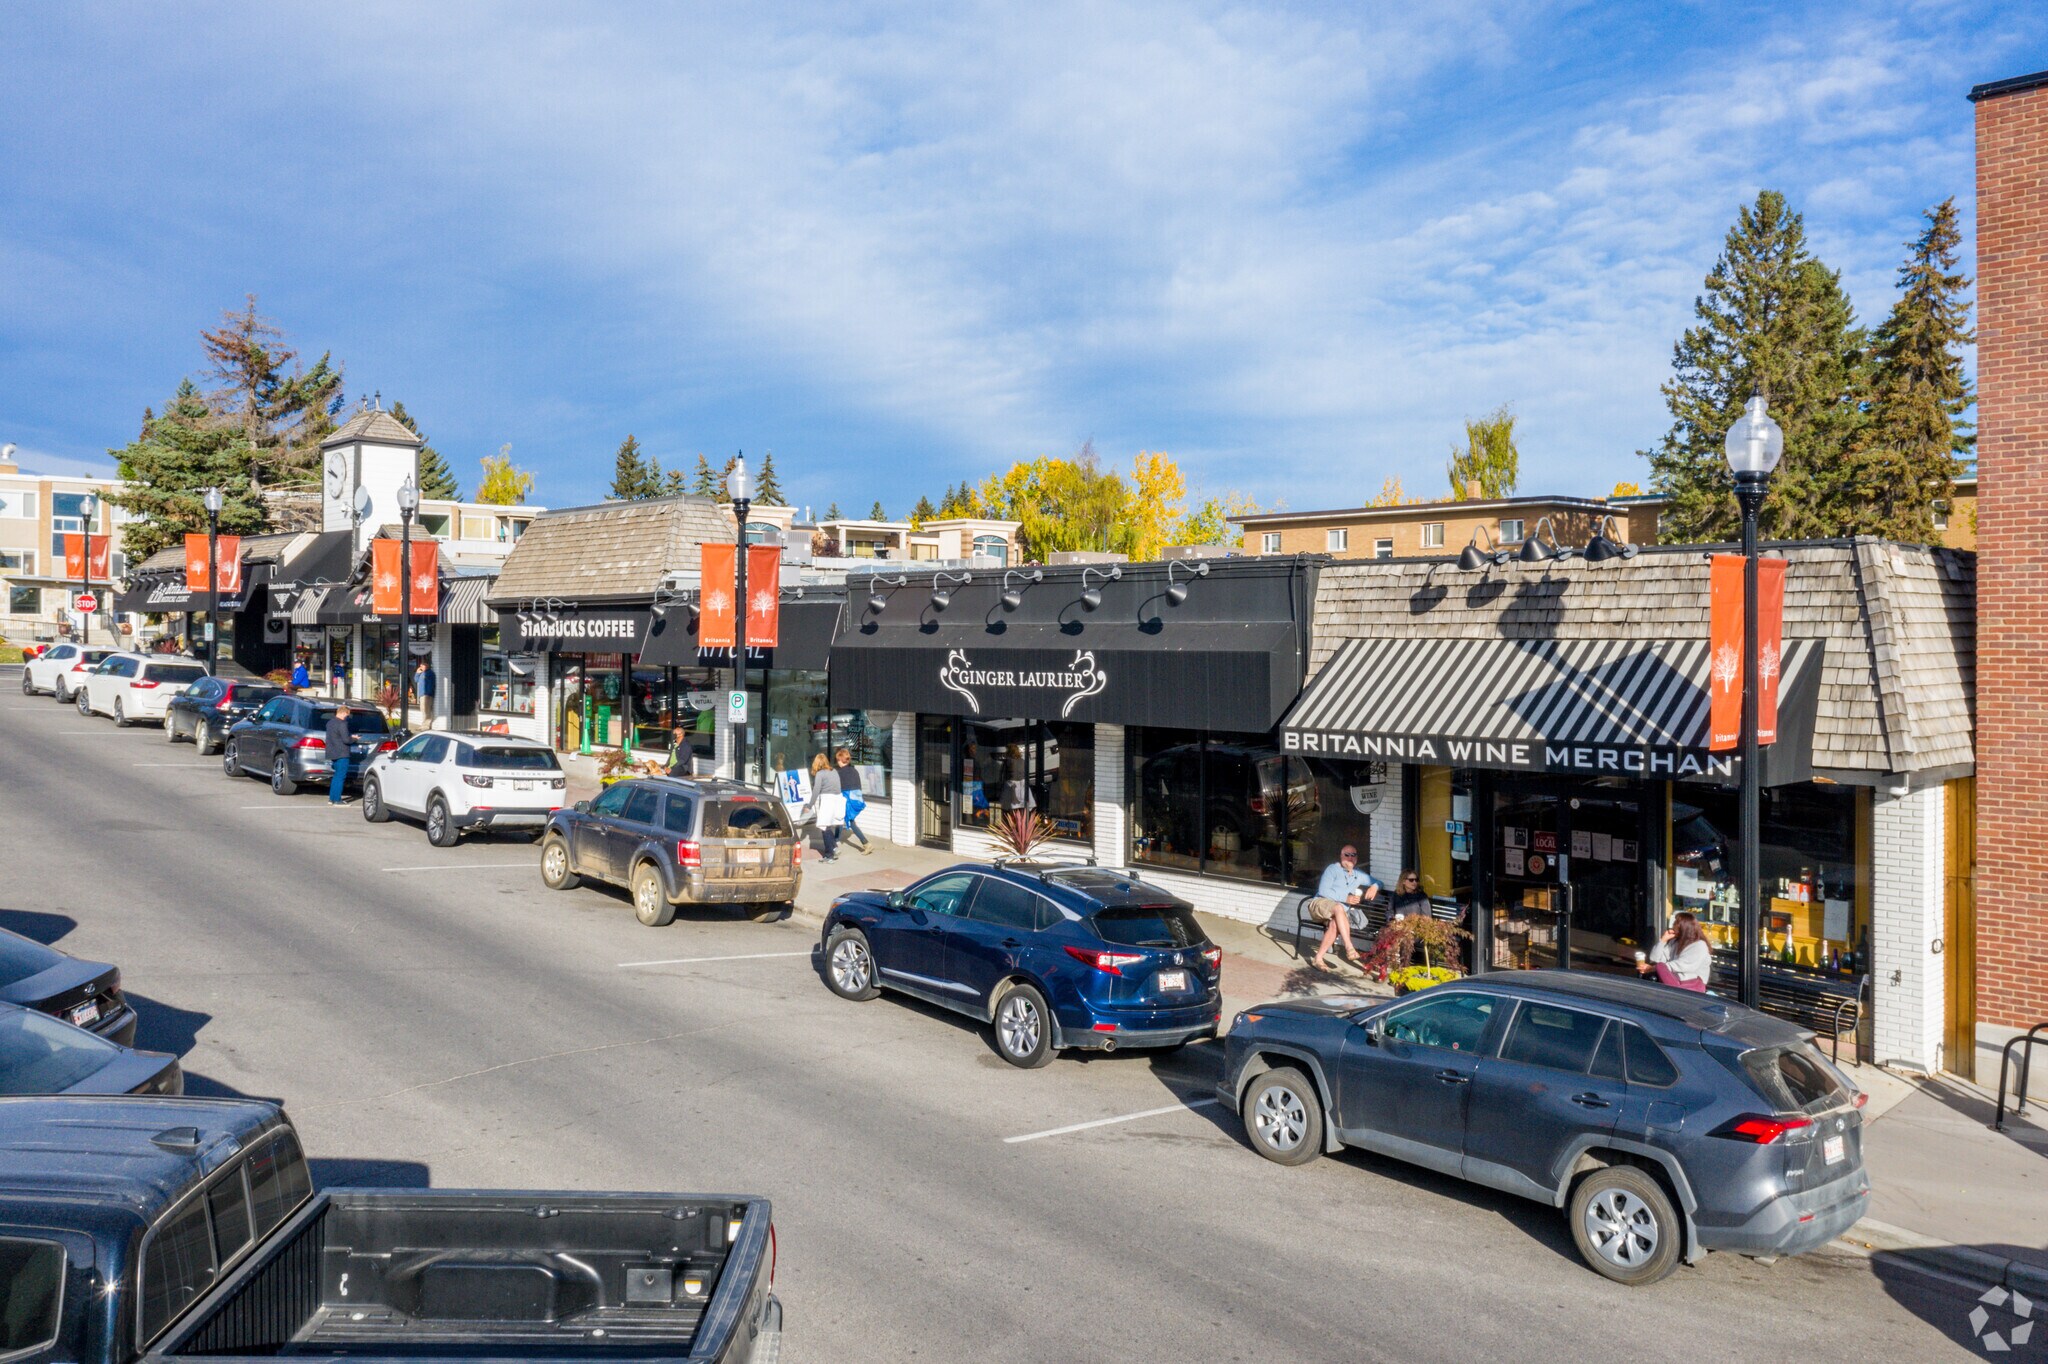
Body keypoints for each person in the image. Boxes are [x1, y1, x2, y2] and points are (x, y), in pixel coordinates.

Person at [1306, 845, 1378, 972]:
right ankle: (1349, 947)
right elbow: (1323, 891)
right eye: (1347, 855)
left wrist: (1374, 887)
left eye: (1353, 855)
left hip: (1337, 914)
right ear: (1341, 856)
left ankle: (1318, 959)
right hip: (1319, 904)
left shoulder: (1358, 875)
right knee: (1339, 908)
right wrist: (1346, 899)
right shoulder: (1332, 869)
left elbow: (1378, 882)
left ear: (1356, 858)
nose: (1350, 858)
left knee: (1335, 924)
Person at [1638, 911, 1712, 992]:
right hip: (1675, 982)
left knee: (1660, 967)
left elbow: (1683, 965)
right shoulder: (1674, 942)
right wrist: (1663, 940)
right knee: (1660, 967)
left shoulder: (1699, 945)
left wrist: (1653, 968)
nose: (1672, 927)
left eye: (1675, 924)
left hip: (1692, 985)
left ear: (1683, 927)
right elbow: (1654, 958)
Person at [805, 752, 845, 861]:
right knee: (827, 826)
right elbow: (838, 788)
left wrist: (809, 805)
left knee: (824, 826)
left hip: (827, 800)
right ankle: (834, 848)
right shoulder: (834, 771)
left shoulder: (820, 774)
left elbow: (816, 791)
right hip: (837, 799)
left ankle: (829, 855)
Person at [834, 748, 873, 855]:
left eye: (838, 760)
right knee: (842, 819)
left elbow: (838, 788)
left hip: (847, 799)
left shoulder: (840, 773)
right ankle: (836, 840)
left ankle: (866, 843)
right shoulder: (854, 770)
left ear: (842, 760)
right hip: (856, 800)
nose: (837, 762)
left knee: (849, 822)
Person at [325, 702, 355, 805]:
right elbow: (346, 740)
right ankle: (337, 800)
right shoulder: (342, 724)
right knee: (341, 776)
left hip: (332, 752)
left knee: (336, 776)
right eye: (347, 715)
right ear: (343, 713)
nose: (347, 717)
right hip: (342, 753)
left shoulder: (329, 723)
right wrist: (354, 739)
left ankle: (332, 798)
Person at [414, 661, 436, 725]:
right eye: (420, 666)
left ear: (426, 666)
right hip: (422, 694)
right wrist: (417, 673)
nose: (421, 667)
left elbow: (431, 684)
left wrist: (428, 693)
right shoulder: (422, 673)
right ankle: (424, 724)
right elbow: (416, 680)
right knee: (423, 710)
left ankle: (426, 725)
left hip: (427, 695)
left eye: (422, 666)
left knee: (427, 710)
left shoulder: (430, 673)